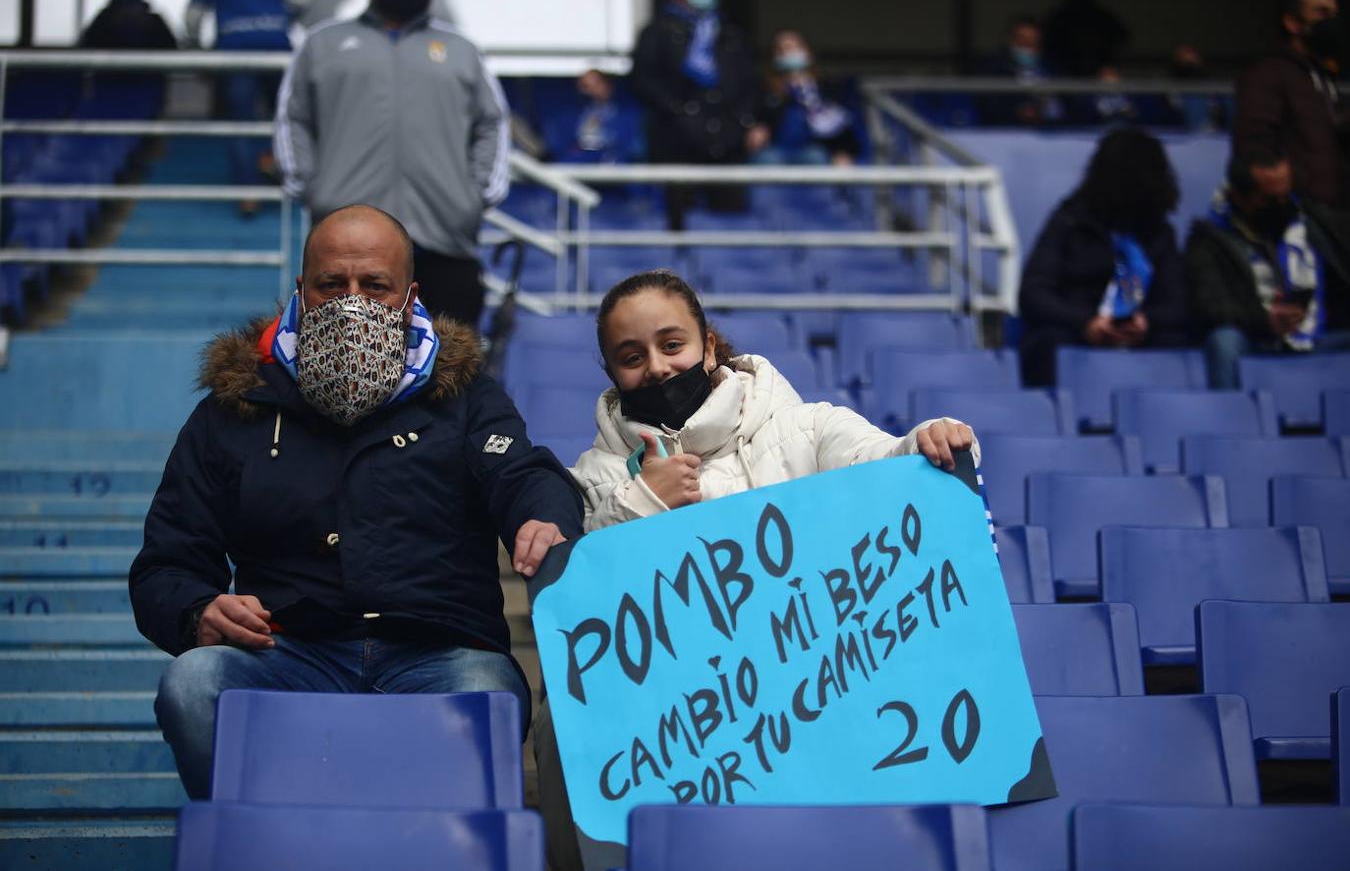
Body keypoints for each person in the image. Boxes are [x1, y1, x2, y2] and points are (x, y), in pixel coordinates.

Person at [130, 204, 583, 800]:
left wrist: (544, 516)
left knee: (487, 696)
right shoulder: (236, 407)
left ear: (409, 296)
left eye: (374, 285)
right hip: (284, 650)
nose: (352, 303)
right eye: (331, 284)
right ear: (301, 290)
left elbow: (522, 473)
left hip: (441, 651)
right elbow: (167, 561)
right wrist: (197, 612)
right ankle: (259, 840)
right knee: (192, 685)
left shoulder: (466, 395)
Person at [534, 270, 978, 870]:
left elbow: (882, 463)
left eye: (672, 345)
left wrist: (929, 443)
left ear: (708, 348)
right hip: (680, 719)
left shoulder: (807, 427)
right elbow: (587, 612)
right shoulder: (595, 476)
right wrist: (643, 501)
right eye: (632, 357)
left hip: (810, 689)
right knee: (560, 726)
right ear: (612, 373)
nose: (658, 369)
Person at [275, 0, 511, 327]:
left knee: (452, 359)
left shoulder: (461, 50)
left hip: (444, 240)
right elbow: (293, 119)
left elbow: (492, 122)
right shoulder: (322, 44)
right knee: (346, 359)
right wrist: (312, 189)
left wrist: (473, 198)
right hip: (348, 252)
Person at [1018, 127, 1191, 387]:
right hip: (1075, 328)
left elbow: (1179, 302)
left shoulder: (1160, 233)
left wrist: (1146, 322)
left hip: (1141, 332)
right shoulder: (1069, 221)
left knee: (1175, 342)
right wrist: (1086, 322)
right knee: (1049, 341)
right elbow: (1034, 293)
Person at [1184, 150, 1350, 389]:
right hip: (1256, 338)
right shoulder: (1208, 241)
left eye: (1285, 195)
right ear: (1238, 197)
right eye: (1269, 199)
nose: (1282, 205)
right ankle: (1231, 410)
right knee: (1224, 341)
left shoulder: (1308, 222)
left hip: (1318, 335)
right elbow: (1209, 308)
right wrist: (1266, 321)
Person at [630, 0, 761, 228]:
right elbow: (644, 81)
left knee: (730, 217)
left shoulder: (729, 34)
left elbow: (749, 82)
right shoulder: (657, 32)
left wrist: (745, 120)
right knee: (679, 215)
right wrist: (678, 111)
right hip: (677, 140)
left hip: (727, 141)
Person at [186, 0, 306, 215]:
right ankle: (275, 160)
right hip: (275, 46)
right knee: (286, 116)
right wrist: (286, 20)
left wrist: (197, 47)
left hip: (234, 49)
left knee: (241, 123)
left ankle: (248, 194)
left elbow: (193, 16)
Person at [1234, 0, 1349, 208]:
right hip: (1296, 211)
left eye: (1335, 15)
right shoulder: (1269, 73)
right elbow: (1254, 140)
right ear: (1293, 23)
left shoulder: (1324, 78)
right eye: (1322, 13)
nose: (1331, 22)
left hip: (1332, 213)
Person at [753, 29, 859, 165]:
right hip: (775, 151)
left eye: (793, 47)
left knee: (816, 156)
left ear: (808, 52)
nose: (788, 53)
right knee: (767, 159)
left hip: (813, 151)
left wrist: (842, 151)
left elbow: (840, 126)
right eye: (782, 49)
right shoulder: (765, 90)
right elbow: (757, 123)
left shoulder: (827, 89)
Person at [976, 15, 1064, 128]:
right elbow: (989, 103)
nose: (1027, 46)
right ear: (1011, 40)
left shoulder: (1051, 67)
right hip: (1012, 129)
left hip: (1056, 129)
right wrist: (1018, 111)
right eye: (1023, 40)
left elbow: (1068, 101)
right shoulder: (995, 68)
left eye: (1032, 42)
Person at [1041, 0, 1130, 78]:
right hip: (1062, 78)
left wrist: (1110, 65)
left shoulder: (1103, 18)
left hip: (1099, 78)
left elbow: (1122, 40)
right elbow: (1047, 49)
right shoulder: (1057, 19)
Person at [548, 70, 644, 164]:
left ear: (607, 86)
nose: (590, 90)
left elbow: (628, 144)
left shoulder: (626, 113)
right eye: (585, 86)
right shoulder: (569, 115)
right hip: (579, 158)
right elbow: (562, 143)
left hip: (611, 158)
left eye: (595, 85)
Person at [80, 0, 176, 51]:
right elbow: (87, 43)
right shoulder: (106, 18)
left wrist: (148, 26)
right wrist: (113, 23)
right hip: (111, 66)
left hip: (146, 67)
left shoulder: (154, 20)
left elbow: (171, 47)